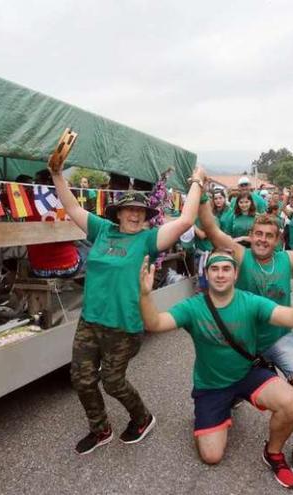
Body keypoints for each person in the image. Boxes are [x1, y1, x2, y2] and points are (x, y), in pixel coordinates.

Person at [50, 156, 205, 455]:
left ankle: (142, 418)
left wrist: (197, 182)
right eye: (130, 210)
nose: (135, 215)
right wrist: (57, 175)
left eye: (140, 211)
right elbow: (71, 207)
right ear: (118, 212)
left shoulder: (148, 240)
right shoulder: (101, 230)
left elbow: (185, 220)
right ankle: (100, 429)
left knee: (112, 381)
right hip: (90, 321)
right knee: (81, 379)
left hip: (124, 325)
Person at [139, 251, 293, 489]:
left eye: (226, 269)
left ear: (236, 274)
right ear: (206, 274)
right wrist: (144, 295)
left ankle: (273, 452)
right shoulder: (193, 307)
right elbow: (154, 324)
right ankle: (217, 411)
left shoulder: (251, 302)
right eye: (214, 269)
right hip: (211, 385)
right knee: (211, 456)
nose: (220, 274)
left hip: (246, 374)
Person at [199, 203, 293, 483]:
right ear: (251, 235)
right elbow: (211, 229)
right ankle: (229, 397)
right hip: (243, 341)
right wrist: (200, 192)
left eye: (268, 235)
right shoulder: (241, 255)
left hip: (278, 337)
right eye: (258, 233)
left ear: (278, 240)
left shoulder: (288, 259)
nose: (262, 239)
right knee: (228, 376)